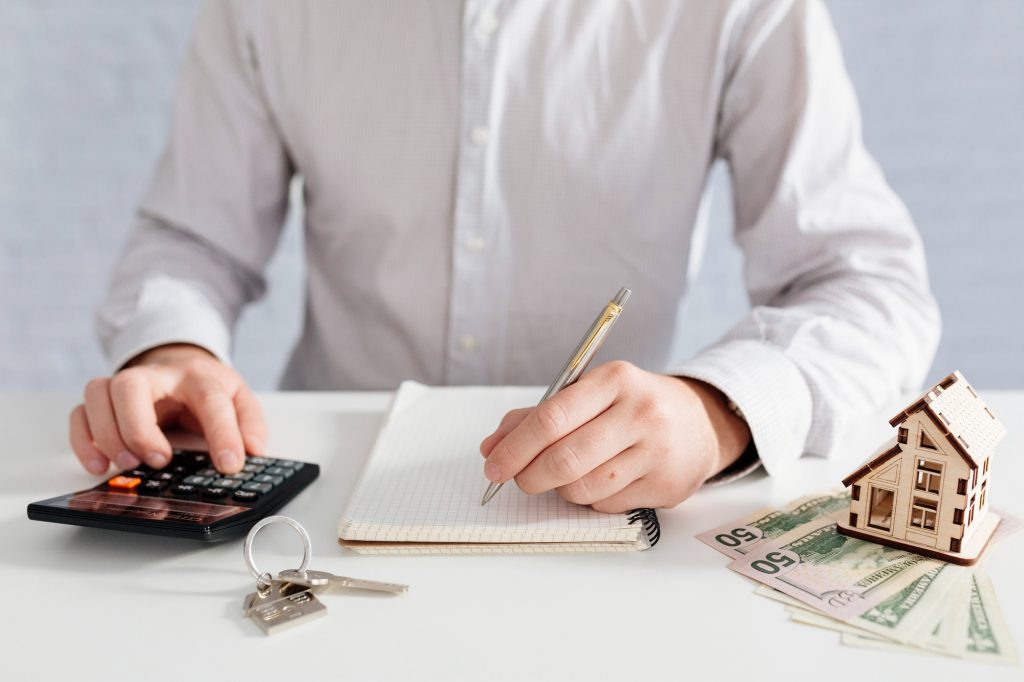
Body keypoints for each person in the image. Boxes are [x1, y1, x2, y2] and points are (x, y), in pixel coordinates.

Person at [69, 0, 940, 513]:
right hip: (329, 504)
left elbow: (868, 285)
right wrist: (171, 350)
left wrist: (718, 412)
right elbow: (190, 238)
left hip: (600, 521)